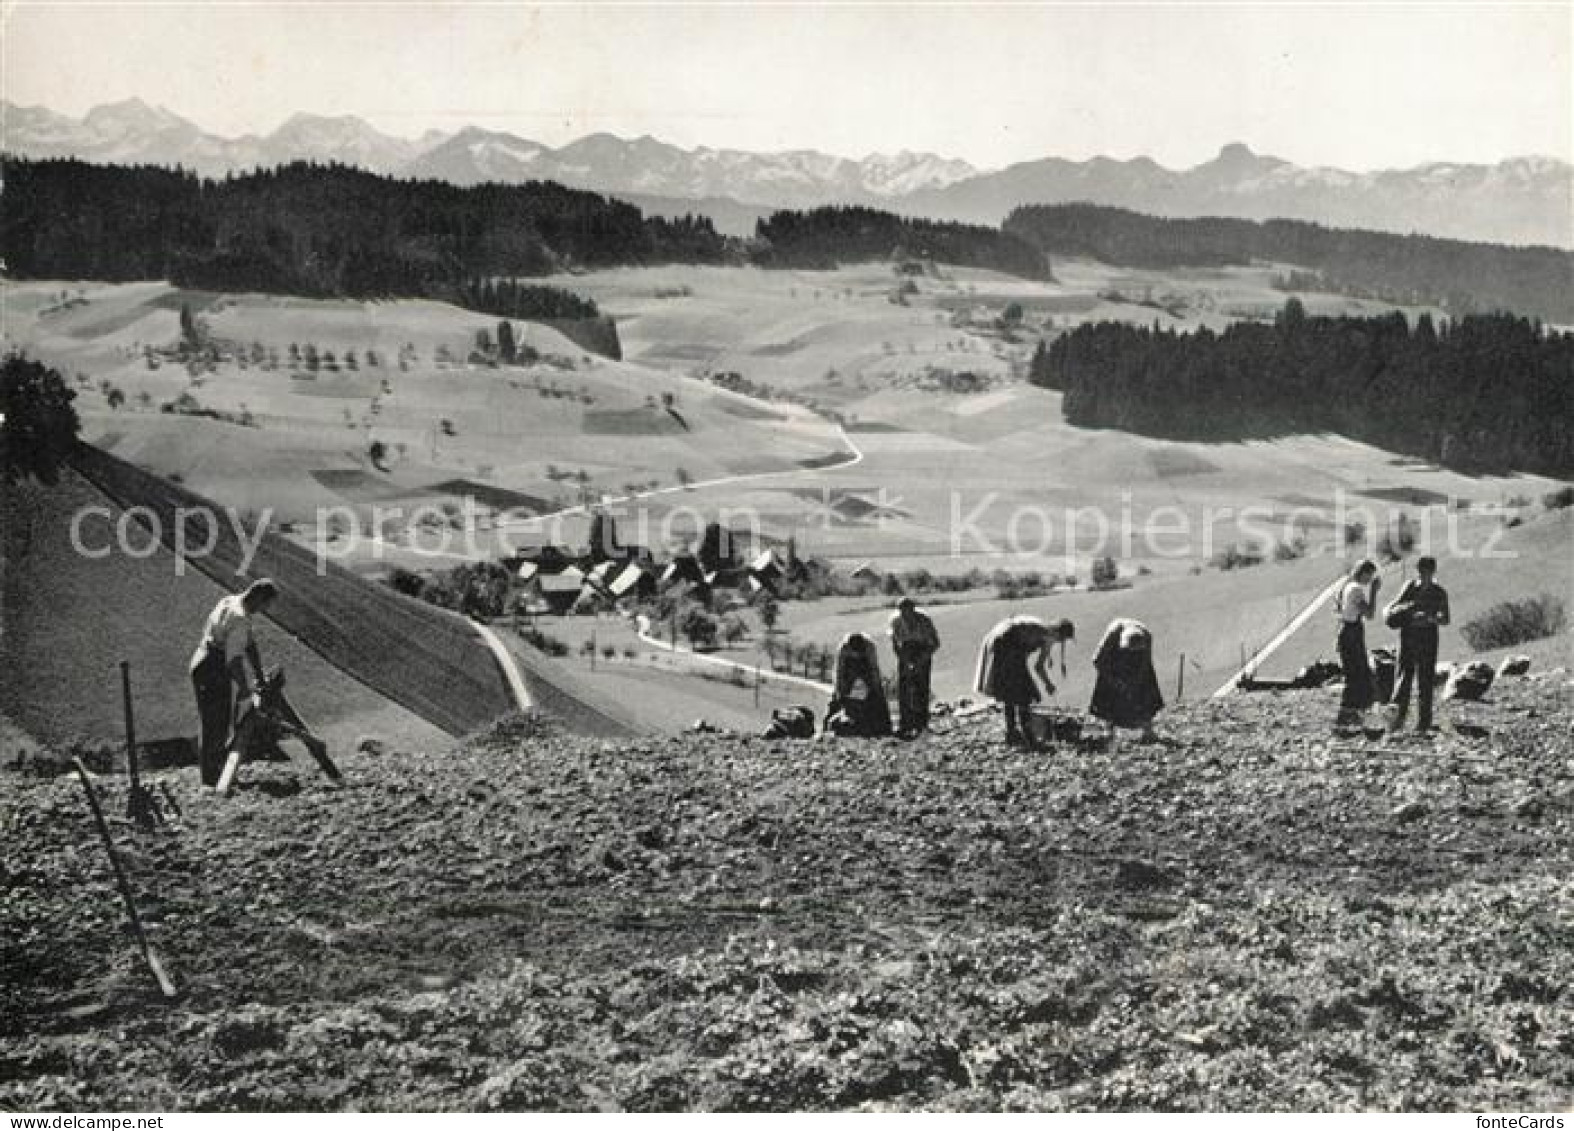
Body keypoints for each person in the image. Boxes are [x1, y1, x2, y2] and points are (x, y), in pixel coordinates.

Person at [191, 578, 278, 786]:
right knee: (215, 724)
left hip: (204, 659)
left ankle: (215, 772)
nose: (264, 610)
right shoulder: (239, 618)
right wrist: (245, 689)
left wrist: (258, 674)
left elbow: (249, 644)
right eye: (265, 604)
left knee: (218, 721)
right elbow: (233, 660)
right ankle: (211, 781)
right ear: (257, 597)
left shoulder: (231, 601)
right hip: (212, 666)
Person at [974, 615, 1075, 748]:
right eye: (1062, 639)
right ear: (1058, 633)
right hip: (1003, 641)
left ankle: (1012, 733)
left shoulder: (1047, 635)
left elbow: (1038, 666)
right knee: (1023, 693)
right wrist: (1046, 683)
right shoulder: (1043, 632)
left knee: (1011, 691)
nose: (1061, 642)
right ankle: (1026, 735)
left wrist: (1048, 683)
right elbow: (1029, 660)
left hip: (1005, 644)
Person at [1386, 555, 1451, 733]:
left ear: (1433, 571)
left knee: (1425, 679)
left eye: (1427, 572)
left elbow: (1445, 619)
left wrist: (1430, 618)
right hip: (1407, 635)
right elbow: (1394, 608)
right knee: (1402, 679)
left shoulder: (1439, 593)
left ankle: (1423, 723)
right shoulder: (1409, 587)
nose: (1424, 575)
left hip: (1428, 636)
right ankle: (1395, 722)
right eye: (1422, 571)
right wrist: (1407, 610)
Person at [1089, 618, 1164, 742]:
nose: (1131, 655)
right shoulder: (1113, 633)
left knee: (1147, 683)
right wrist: (1113, 681)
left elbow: (1146, 664)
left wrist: (1136, 683)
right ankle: (1109, 728)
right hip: (1113, 659)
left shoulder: (1147, 637)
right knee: (1107, 687)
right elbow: (1097, 660)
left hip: (1137, 660)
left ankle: (1148, 729)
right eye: (1130, 651)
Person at [1333, 559, 1381, 728]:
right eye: (1370, 575)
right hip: (1352, 633)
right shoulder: (1356, 590)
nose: (1370, 579)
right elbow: (1369, 614)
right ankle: (1349, 714)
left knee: (1354, 673)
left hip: (1348, 631)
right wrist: (1374, 592)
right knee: (1357, 674)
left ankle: (1351, 714)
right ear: (1364, 573)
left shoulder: (1348, 586)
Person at [888, 597, 940, 738]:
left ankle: (921, 723)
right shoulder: (895, 621)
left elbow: (935, 643)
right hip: (905, 651)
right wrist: (903, 660)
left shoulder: (924, 620)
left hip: (923, 650)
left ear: (913, 610)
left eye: (908, 611)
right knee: (904, 688)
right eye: (902, 612)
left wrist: (920, 661)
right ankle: (905, 723)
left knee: (921, 688)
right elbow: (895, 643)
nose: (905, 615)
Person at [825, 632, 893, 738]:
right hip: (849, 668)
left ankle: (884, 726)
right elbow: (839, 671)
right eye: (854, 652)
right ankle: (827, 726)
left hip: (865, 668)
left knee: (877, 696)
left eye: (858, 653)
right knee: (836, 699)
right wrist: (839, 692)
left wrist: (876, 688)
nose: (856, 655)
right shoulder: (843, 649)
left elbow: (873, 668)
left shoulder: (869, 647)